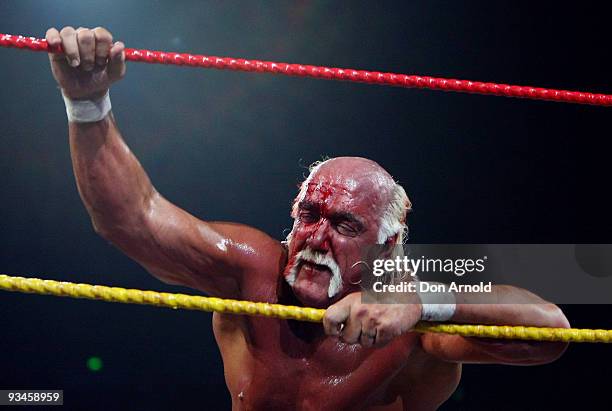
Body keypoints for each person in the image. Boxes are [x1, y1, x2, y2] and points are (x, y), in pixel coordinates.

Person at [46, 26, 570, 410]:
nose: (316, 238)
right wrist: (87, 103)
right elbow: (132, 219)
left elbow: (549, 328)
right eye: (307, 215)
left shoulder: (408, 309)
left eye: (344, 226)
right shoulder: (252, 272)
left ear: (387, 248)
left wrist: (416, 302)